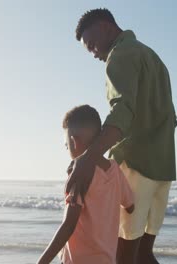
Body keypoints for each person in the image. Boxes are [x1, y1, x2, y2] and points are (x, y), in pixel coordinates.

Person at [67, 8, 177, 264]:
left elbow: (122, 112)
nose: (93, 52)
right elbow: (171, 118)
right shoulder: (153, 57)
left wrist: (88, 158)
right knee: (143, 254)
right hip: (162, 169)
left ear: (106, 26)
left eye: (92, 44)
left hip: (135, 168)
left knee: (123, 258)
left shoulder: (119, 55)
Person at [37, 105, 134, 264]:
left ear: (74, 141)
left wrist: (41, 262)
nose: (67, 149)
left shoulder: (79, 175)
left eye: (67, 145)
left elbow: (68, 226)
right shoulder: (115, 169)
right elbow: (130, 205)